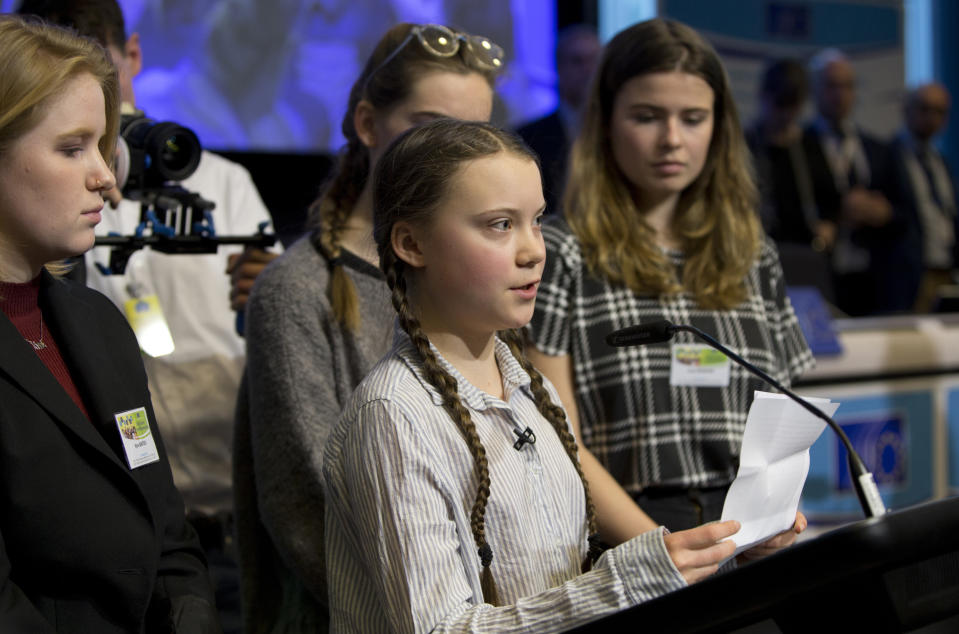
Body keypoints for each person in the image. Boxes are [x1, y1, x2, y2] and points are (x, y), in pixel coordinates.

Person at [323, 117, 752, 633]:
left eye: (537, 221)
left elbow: (560, 582)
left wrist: (721, 557)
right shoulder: (395, 417)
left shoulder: (531, 389)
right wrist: (625, 581)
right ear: (412, 244)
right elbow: (441, 629)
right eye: (500, 225)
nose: (533, 251)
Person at [233, 23, 503, 632]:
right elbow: (306, 510)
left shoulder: (473, 283)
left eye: (472, 137)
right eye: (427, 125)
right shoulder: (298, 290)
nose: (447, 157)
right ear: (366, 123)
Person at [17, 2, 277, 629]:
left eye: (102, 146)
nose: (106, 178)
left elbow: (163, 515)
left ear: (131, 55)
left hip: (217, 542)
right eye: (72, 147)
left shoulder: (98, 320)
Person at [526, 19, 815, 532]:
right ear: (607, 122)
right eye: (647, 116)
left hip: (745, 530)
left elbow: (782, 426)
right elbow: (556, 436)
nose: (672, 140)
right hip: (625, 534)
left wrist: (774, 518)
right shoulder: (561, 253)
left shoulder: (753, 255)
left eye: (694, 117)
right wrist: (654, 550)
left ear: (718, 128)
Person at [802, 48, 907, 315]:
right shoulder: (798, 147)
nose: (840, 95)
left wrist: (884, 213)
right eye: (832, 86)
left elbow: (904, 212)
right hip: (821, 276)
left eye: (847, 86)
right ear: (815, 90)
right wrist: (837, 214)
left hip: (873, 279)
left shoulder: (878, 149)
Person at [746, 58, 835, 301]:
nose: (785, 115)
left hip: (806, 251)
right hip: (756, 254)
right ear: (764, 97)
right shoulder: (746, 143)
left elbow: (832, 199)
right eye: (779, 105)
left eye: (793, 106)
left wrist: (828, 226)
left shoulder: (809, 143)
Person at [516, 24, 601, 214]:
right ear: (559, 67)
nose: (588, 70)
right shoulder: (527, 137)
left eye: (594, 60)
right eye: (577, 61)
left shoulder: (619, 131)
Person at [888, 82, 957, 312]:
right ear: (907, 110)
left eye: (939, 112)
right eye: (924, 109)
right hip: (909, 274)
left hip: (945, 270)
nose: (931, 118)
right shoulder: (888, 156)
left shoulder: (941, 162)